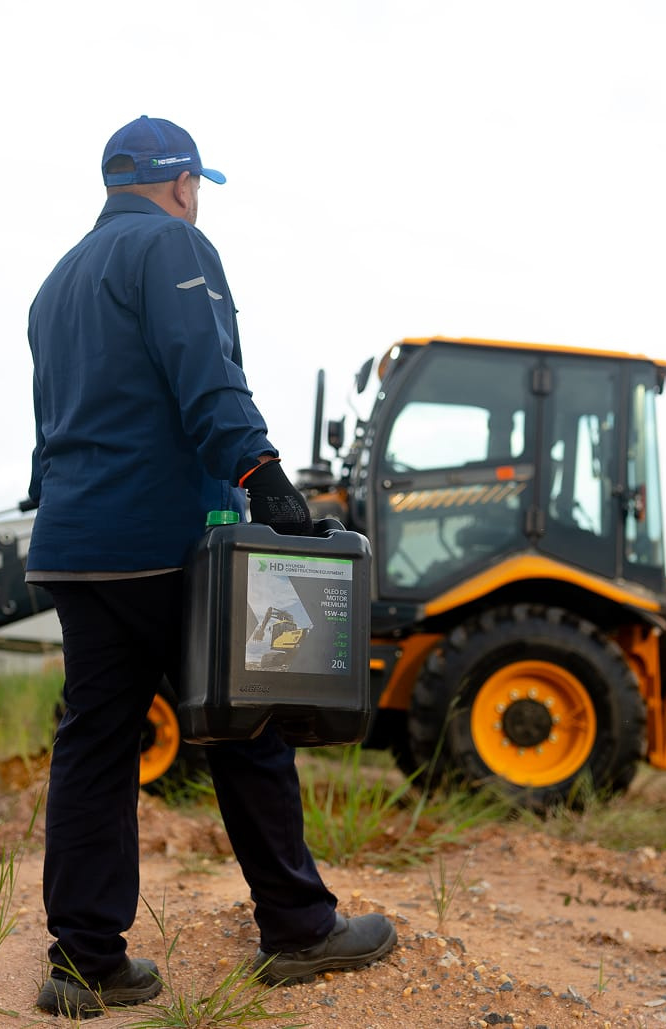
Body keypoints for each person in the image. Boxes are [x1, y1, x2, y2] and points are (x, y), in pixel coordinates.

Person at [24, 115, 397, 1018]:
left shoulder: (56, 280)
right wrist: (260, 473)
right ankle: (300, 929)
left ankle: (84, 963)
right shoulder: (173, 247)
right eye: (196, 187)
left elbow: (59, 410)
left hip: (76, 543)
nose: (196, 201)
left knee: (96, 744)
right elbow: (205, 370)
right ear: (182, 182)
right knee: (246, 720)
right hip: (163, 536)